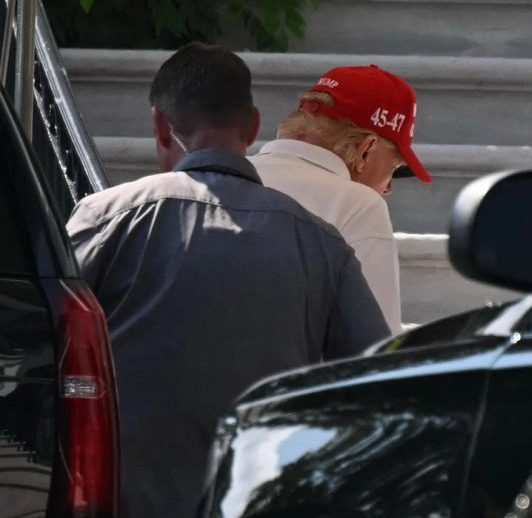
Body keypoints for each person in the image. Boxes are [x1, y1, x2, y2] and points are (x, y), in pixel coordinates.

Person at [66, 43, 390, 518]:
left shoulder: (107, 219)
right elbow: (372, 379)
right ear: (254, 126)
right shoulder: (322, 244)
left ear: (160, 124)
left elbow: (40, 333)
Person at [249, 65, 431, 334]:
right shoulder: (358, 206)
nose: (388, 188)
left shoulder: (207, 180)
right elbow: (373, 345)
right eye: (394, 168)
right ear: (366, 150)